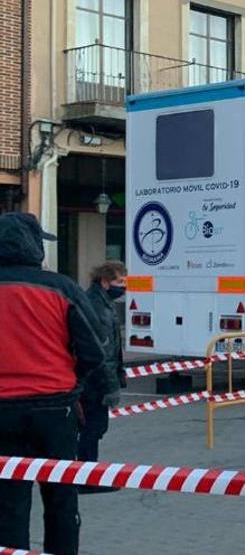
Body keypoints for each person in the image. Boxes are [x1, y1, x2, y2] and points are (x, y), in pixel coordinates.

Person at [0, 213, 113, 554]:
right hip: (55, 409)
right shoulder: (61, 288)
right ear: (34, 246)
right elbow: (96, 349)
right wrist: (74, 383)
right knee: (62, 500)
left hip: (3, 413)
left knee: (8, 506)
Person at [77, 260, 128, 492]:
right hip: (93, 384)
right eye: (120, 281)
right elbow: (102, 353)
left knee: (92, 429)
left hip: (91, 381)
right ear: (105, 282)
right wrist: (110, 386)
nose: (124, 286)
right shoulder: (98, 307)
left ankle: (87, 475)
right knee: (91, 430)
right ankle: (87, 479)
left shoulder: (100, 302)